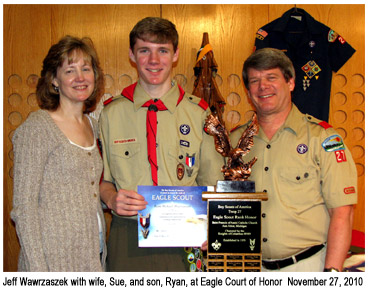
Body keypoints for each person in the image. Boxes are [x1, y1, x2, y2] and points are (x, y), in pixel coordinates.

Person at [99, 17, 224, 272]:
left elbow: (213, 185)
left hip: (186, 234)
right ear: (132, 55)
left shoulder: (199, 114)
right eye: (144, 50)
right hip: (128, 233)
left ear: (175, 54)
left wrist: (214, 227)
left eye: (162, 51)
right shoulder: (111, 114)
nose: (154, 61)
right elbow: (102, 180)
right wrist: (112, 199)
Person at [230, 48, 357, 272]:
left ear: (290, 83)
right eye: (255, 80)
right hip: (249, 267)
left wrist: (332, 275)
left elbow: (342, 212)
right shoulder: (234, 142)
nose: (263, 86)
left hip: (308, 266)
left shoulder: (323, 138)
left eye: (271, 77)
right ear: (248, 91)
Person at [11, 35, 106, 271]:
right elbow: (24, 207)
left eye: (86, 68)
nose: (80, 77)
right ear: (54, 79)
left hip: (93, 254)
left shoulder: (92, 125)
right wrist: (39, 272)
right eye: (70, 71)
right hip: (53, 260)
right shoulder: (38, 127)